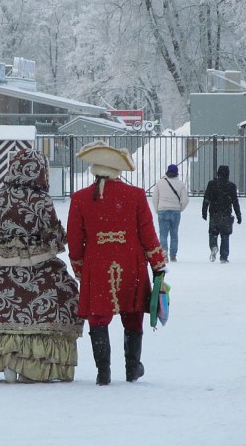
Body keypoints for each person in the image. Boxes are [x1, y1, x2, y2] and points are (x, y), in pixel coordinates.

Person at [0, 149, 83, 382]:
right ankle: (35, 360)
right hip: (38, 265)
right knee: (61, 292)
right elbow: (54, 238)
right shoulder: (42, 200)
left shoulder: (0, 197)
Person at [66, 140, 166, 386]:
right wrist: (157, 264)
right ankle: (132, 368)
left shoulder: (80, 199)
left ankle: (103, 372)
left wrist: (79, 268)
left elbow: (75, 239)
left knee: (98, 318)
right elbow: (148, 233)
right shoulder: (135, 195)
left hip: (96, 266)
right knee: (132, 315)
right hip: (131, 263)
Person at [202, 164, 242, 263]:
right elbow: (235, 202)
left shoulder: (211, 184)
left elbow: (206, 199)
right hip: (226, 214)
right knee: (225, 235)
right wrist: (238, 215)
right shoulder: (231, 186)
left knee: (213, 233)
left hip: (214, 213)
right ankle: (224, 257)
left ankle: (214, 246)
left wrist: (204, 211)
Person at [152, 163, 189, 262]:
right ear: (177, 173)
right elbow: (185, 200)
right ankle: (173, 256)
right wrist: (180, 208)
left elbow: (155, 197)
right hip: (175, 211)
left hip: (163, 210)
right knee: (174, 234)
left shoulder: (160, 183)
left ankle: (164, 254)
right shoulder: (181, 184)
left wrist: (157, 209)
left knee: (163, 234)